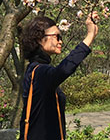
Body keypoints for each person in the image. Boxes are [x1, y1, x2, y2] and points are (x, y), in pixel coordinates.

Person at [18, 12, 99, 140]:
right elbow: (64, 70)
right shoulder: (38, 72)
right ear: (39, 39)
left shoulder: (36, 70)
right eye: (57, 36)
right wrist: (89, 36)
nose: (61, 41)